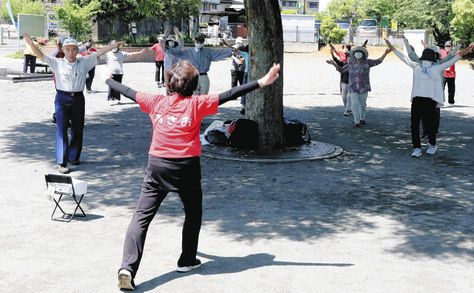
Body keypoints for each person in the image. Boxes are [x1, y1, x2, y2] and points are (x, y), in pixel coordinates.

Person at [110, 60, 281, 290]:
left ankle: (127, 268)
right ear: (194, 86)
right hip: (186, 167)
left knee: (141, 216)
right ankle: (187, 259)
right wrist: (261, 82)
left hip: (157, 166)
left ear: (169, 83)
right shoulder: (197, 104)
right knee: (193, 212)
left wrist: (108, 80)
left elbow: (127, 91)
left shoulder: (155, 101)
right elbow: (230, 94)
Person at [23, 33, 123, 173]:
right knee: (61, 130)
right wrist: (31, 44)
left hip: (78, 99)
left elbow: (99, 52)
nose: (71, 52)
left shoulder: (84, 61)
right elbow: (40, 55)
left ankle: (74, 156)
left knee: (77, 128)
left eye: (74, 49)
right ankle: (62, 162)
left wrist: (113, 46)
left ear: (78, 50)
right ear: (63, 50)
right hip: (62, 99)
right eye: (68, 49)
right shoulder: (56, 62)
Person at [385, 38, 474, 156]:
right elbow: (403, 57)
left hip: (430, 100)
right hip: (417, 99)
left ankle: (432, 144)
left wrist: (465, 50)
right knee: (414, 125)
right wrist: (392, 47)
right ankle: (416, 148)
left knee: (430, 124)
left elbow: (453, 59)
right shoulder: (416, 66)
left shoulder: (437, 67)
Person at [326, 45, 393, 127]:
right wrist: (333, 64)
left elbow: (378, 61)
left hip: (364, 87)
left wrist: (385, 53)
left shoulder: (367, 62)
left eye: (360, 53)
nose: (358, 54)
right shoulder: (350, 63)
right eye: (356, 53)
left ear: (363, 54)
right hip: (353, 87)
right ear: (353, 54)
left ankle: (362, 119)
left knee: (363, 104)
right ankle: (356, 121)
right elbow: (342, 70)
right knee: (354, 104)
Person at [165, 32, 233, 95]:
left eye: (201, 41)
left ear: (203, 41)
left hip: (204, 77)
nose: (199, 43)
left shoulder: (208, 51)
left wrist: (232, 50)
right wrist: (165, 46)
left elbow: (220, 53)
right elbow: (176, 52)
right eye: (198, 41)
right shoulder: (188, 52)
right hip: (193, 77)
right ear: (195, 41)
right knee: (193, 96)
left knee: (203, 98)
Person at [104, 40, 147, 105]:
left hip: (119, 73)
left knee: (118, 86)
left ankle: (117, 99)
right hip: (110, 73)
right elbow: (104, 60)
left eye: (115, 44)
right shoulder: (108, 53)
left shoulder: (122, 53)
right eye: (112, 44)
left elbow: (131, 54)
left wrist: (140, 52)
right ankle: (110, 98)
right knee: (111, 86)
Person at [328, 43, 352, 116]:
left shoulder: (355, 63)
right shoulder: (343, 61)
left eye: (346, 48)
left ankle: (347, 110)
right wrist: (332, 55)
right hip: (344, 80)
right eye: (344, 48)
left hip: (352, 82)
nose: (345, 49)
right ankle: (347, 108)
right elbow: (336, 61)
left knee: (349, 96)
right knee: (344, 96)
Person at [440, 40, 457, 104]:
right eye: (446, 46)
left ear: (451, 47)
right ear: (444, 47)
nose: (447, 47)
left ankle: (451, 101)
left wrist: (469, 48)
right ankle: (441, 100)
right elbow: (432, 49)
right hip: (443, 74)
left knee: (451, 89)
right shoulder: (441, 52)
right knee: (441, 88)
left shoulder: (454, 53)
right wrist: (424, 45)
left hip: (452, 74)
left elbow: (462, 52)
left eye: (449, 46)